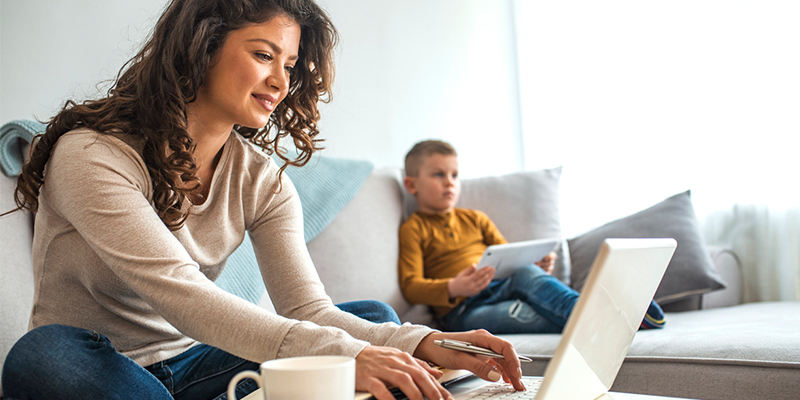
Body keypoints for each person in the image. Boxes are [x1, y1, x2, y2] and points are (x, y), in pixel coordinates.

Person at [0, 2, 527, 399]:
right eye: (262, 54)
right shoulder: (92, 155)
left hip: (194, 366)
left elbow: (308, 309)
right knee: (42, 356)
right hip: (97, 365)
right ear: (201, 48)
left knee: (371, 316)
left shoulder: (261, 180)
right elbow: (182, 295)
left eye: (291, 64)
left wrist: (421, 342)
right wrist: (350, 355)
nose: (280, 81)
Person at [398, 140, 666, 334]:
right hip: (463, 312)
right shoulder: (414, 228)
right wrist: (453, 288)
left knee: (526, 272)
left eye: (454, 175)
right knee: (528, 315)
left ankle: (606, 316)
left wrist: (533, 264)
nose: (450, 182)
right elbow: (410, 285)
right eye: (438, 175)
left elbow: (508, 257)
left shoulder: (475, 218)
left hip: (503, 286)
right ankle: (617, 316)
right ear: (411, 184)